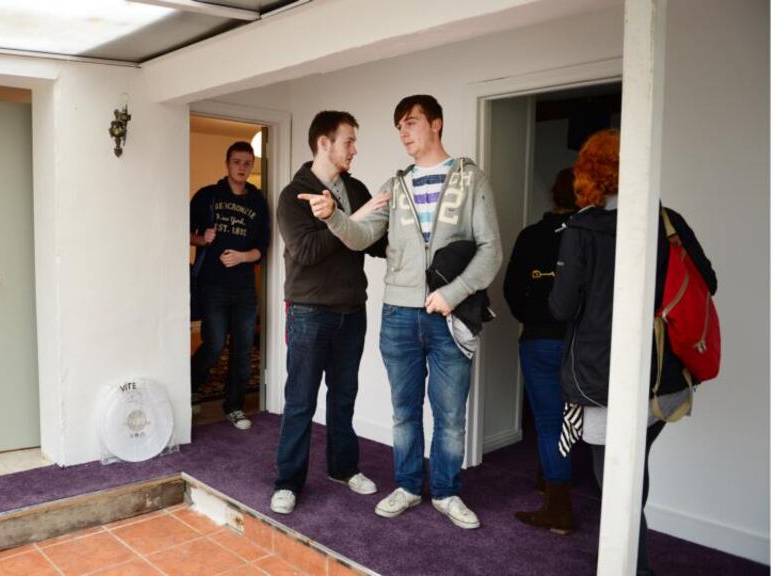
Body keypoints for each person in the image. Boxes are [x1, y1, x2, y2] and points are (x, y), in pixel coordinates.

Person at [301, 95, 502, 528]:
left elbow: (491, 250)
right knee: (403, 410)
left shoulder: (471, 179)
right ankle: (409, 486)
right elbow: (359, 236)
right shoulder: (396, 185)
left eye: (411, 123)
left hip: (450, 315)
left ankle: (447, 493)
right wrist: (334, 216)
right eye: (399, 127)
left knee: (450, 415)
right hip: (398, 315)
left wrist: (454, 292)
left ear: (436, 124)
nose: (404, 133)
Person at [548, 129, 716, 575]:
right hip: (665, 377)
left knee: (617, 488)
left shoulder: (582, 228)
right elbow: (707, 283)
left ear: (590, 174)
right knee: (631, 473)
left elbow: (561, 308)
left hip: (605, 381)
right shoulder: (666, 220)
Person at [269, 110, 389, 515]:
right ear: (324, 143)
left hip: (352, 310)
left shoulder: (355, 187)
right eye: (348, 141)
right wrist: (349, 221)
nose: (355, 149)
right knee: (300, 400)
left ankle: (344, 468)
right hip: (308, 312)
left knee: (344, 397)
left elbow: (372, 241)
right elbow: (308, 251)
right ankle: (288, 482)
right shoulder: (293, 194)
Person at [504, 168, 578, 534]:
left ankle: (558, 505)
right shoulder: (593, 235)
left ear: (554, 194)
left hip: (538, 339)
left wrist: (534, 318)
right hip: (583, 343)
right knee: (576, 416)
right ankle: (553, 479)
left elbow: (512, 290)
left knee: (549, 422)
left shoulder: (531, 236)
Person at [189, 141, 270, 430]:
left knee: (243, 348)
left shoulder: (258, 202)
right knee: (213, 343)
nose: (242, 168)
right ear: (227, 164)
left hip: (245, 287)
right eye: (237, 162)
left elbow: (263, 246)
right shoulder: (208, 196)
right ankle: (189, 385)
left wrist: (243, 257)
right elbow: (181, 230)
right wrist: (201, 239)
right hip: (213, 285)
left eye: (247, 163)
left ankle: (234, 406)